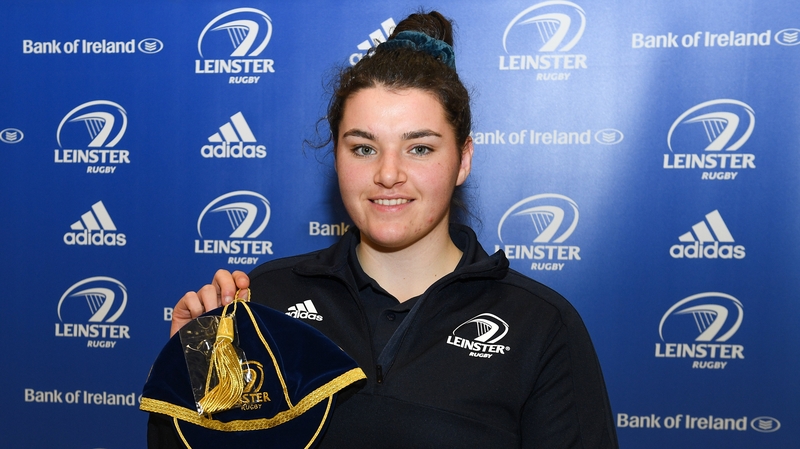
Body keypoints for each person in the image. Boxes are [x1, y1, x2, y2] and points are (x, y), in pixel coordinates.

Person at [156, 10, 618, 448]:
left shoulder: (540, 324)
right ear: (336, 156)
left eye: (419, 148)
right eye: (363, 148)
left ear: (463, 160)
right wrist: (189, 369)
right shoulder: (263, 301)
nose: (388, 173)